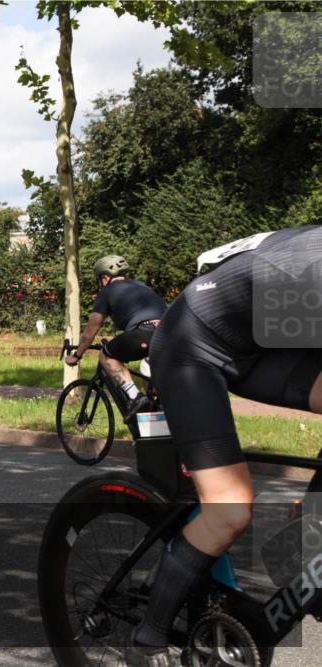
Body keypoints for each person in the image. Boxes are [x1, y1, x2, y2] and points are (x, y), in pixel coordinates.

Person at [126, 225, 322, 666]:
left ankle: (307, 550)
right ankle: (147, 640)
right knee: (229, 510)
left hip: (260, 341)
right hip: (192, 343)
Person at [65, 255, 167, 417]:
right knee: (148, 368)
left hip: (143, 333)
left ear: (105, 278)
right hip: (170, 333)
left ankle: (135, 397)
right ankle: (157, 412)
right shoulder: (144, 287)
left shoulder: (107, 292)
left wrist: (77, 355)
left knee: (106, 354)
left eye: (99, 279)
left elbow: (91, 329)